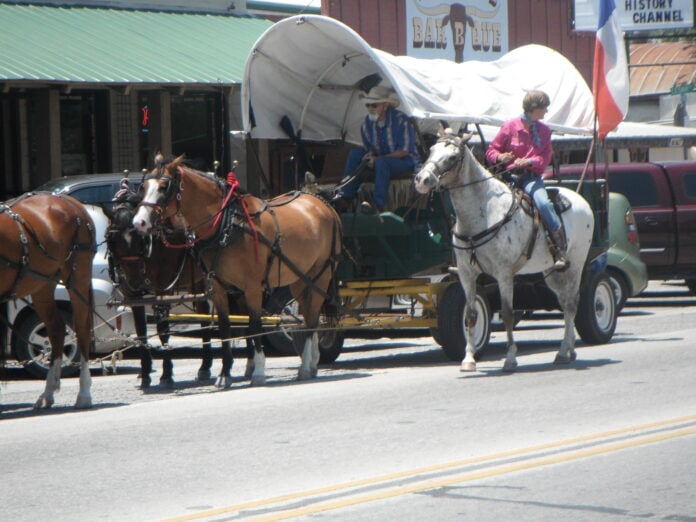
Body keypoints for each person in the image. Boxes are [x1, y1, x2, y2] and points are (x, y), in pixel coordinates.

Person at [485, 90, 568, 270]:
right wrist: (500, 158)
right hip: (507, 177)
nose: (546, 112)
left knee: (543, 204)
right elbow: (491, 151)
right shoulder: (509, 127)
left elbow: (545, 158)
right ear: (534, 108)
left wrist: (528, 161)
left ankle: (559, 247)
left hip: (530, 178)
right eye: (544, 108)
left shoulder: (545, 131)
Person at [332, 85, 421, 213]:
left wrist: (378, 158)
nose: (370, 109)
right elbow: (370, 148)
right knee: (355, 154)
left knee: (381, 162)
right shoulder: (366, 124)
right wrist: (370, 156)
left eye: (374, 105)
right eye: (368, 105)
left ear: (385, 106)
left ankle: (378, 204)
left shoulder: (401, 121)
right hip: (381, 159)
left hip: (405, 161)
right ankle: (345, 196)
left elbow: (405, 151)